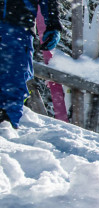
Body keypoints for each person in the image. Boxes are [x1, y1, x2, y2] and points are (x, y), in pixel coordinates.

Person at [1, 0, 62, 129]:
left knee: (13, 83)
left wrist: (53, 24)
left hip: (18, 28)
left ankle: (5, 127)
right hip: (16, 28)